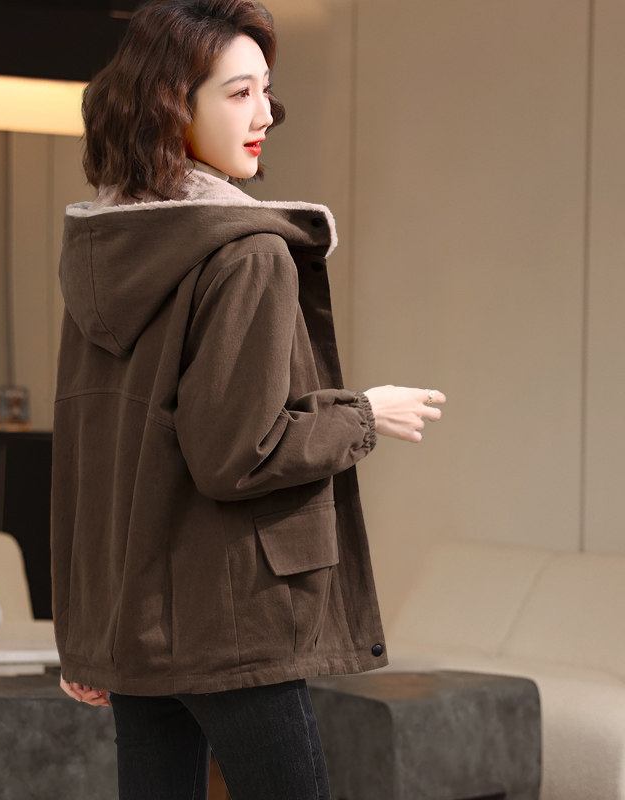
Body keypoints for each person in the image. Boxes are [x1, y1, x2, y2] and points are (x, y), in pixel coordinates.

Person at [51, 1, 446, 797]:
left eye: (266, 90)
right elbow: (238, 453)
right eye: (239, 93)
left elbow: (91, 459)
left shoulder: (106, 248)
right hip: (233, 617)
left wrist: (88, 634)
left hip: (137, 619)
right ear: (172, 106)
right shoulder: (251, 253)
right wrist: (364, 415)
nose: (266, 114)